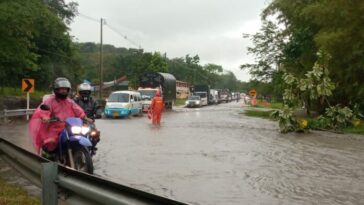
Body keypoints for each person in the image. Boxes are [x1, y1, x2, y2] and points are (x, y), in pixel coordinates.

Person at [29, 77, 93, 155]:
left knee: (83, 134)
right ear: (56, 89)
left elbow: (78, 110)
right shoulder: (50, 101)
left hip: (69, 126)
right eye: (61, 89)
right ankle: (49, 157)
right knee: (50, 142)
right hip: (54, 127)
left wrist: (85, 117)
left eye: (65, 89)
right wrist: (45, 117)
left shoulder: (70, 102)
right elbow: (45, 110)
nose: (63, 91)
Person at [73, 82, 100, 153]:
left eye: (87, 92)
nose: (85, 94)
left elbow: (98, 107)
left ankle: (93, 147)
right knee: (71, 134)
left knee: (96, 134)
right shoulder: (75, 100)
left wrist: (98, 114)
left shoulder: (93, 101)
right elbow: (70, 108)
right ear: (80, 93)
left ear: (89, 93)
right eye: (83, 92)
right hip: (77, 122)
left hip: (90, 122)